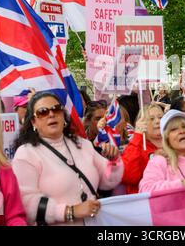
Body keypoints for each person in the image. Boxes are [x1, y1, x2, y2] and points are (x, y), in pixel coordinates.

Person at [11, 91, 123, 226]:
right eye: (43, 112)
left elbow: (108, 182)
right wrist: (70, 211)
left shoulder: (83, 144)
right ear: (33, 122)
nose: (51, 114)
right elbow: (26, 202)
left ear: (64, 116)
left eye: (56, 109)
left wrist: (114, 161)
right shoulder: (26, 154)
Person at [139, 110, 185, 193]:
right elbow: (145, 189)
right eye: (174, 129)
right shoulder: (160, 161)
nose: (181, 131)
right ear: (167, 140)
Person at [121, 103, 164, 194]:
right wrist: (137, 136)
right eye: (151, 119)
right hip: (144, 201)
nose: (157, 121)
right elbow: (129, 176)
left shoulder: (173, 143)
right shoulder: (137, 145)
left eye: (160, 117)